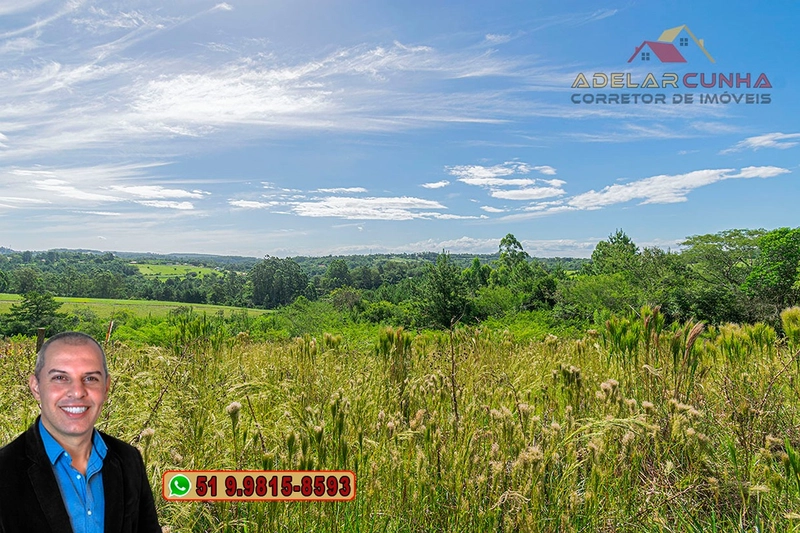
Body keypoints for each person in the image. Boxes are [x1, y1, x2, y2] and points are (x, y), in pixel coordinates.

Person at [0, 331, 161, 533]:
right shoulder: (5, 471)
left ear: (106, 387)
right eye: (60, 377)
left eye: (91, 378)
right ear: (36, 387)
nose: (77, 392)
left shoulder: (129, 460)